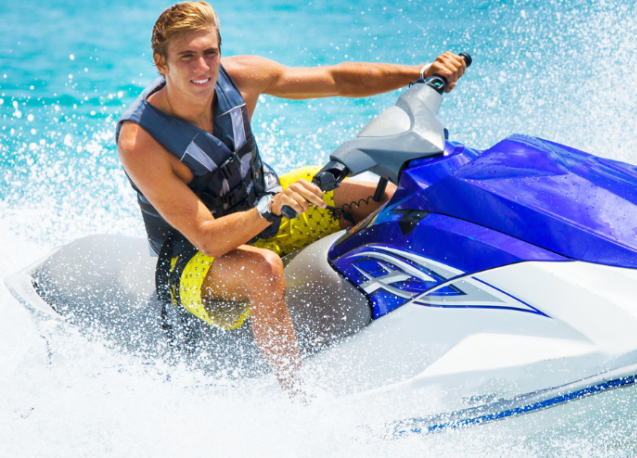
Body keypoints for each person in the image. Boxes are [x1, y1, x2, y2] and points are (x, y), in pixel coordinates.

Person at [116, 1, 468, 393]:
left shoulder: (242, 77)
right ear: (161, 63)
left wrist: (420, 73)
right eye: (187, 57)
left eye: (209, 53)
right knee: (263, 269)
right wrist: (271, 207)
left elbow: (338, 80)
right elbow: (207, 236)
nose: (202, 68)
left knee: (392, 197)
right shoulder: (140, 141)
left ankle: (435, 305)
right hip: (195, 257)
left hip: (263, 203)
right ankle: (297, 399)